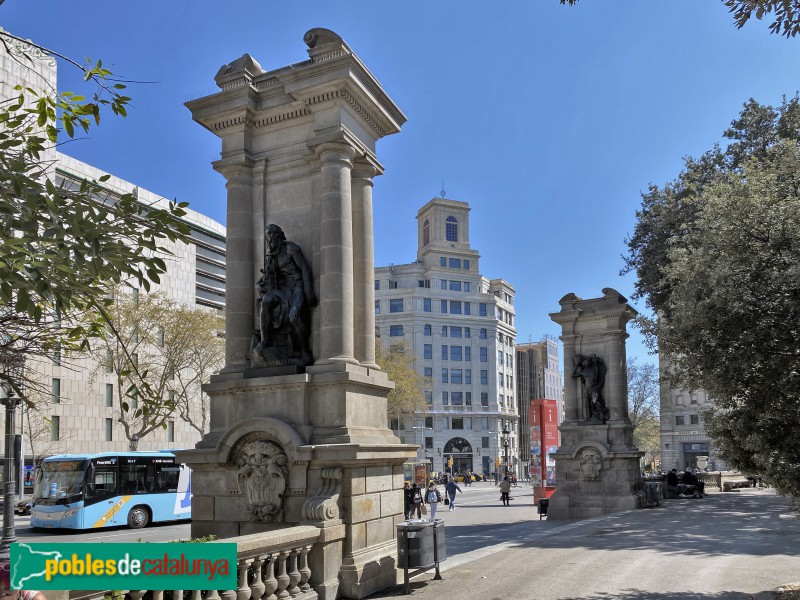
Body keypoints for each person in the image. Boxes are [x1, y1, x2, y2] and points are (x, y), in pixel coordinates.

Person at [255, 224, 317, 365]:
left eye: (273, 233)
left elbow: (305, 270)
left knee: (293, 316)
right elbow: (266, 278)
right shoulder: (270, 256)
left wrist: (308, 292)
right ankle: (265, 339)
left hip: (297, 286)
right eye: (268, 234)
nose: (270, 236)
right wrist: (259, 284)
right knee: (266, 300)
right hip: (281, 289)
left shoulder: (291, 248)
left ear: (280, 235)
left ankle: (304, 351)